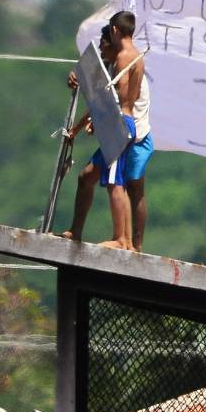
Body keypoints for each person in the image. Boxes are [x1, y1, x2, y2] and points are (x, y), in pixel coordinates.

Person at [60, 22, 154, 251]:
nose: (101, 52)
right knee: (87, 177)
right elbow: (100, 95)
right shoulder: (114, 66)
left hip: (134, 134)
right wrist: (78, 75)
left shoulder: (125, 62)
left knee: (126, 185)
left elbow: (112, 102)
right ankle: (76, 232)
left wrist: (94, 123)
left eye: (103, 47)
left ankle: (129, 244)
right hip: (117, 127)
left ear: (113, 37)